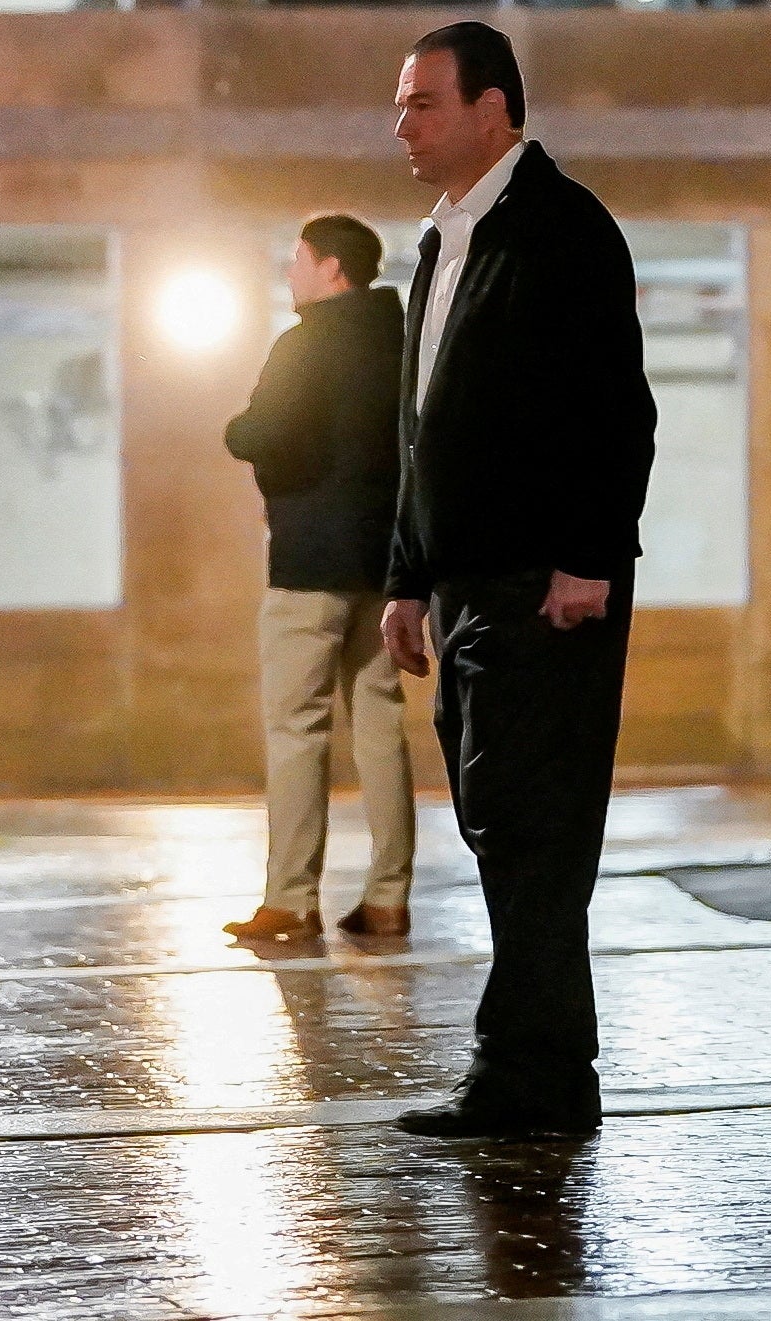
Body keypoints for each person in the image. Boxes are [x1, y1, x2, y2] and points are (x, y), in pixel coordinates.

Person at [381, 23, 656, 1138]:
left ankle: (529, 1073)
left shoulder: (559, 227)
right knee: (497, 820)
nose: (400, 125)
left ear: (493, 110)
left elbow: (614, 411)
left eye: (421, 104)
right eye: (400, 106)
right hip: (465, 584)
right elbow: (418, 430)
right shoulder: (443, 238)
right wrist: (407, 579)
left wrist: (587, 556)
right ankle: (538, 1067)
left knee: (535, 827)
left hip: (549, 585)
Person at [223, 215, 417, 945]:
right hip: (386, 561)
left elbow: (265, 432)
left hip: (311, 560)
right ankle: (389, 894)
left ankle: (291, 896)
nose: (290, 272)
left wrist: (239, 434)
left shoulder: (305, 343)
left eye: (297, 259)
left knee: (297, 727)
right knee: (380, 721)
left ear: (332, 268)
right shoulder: (400, 343)